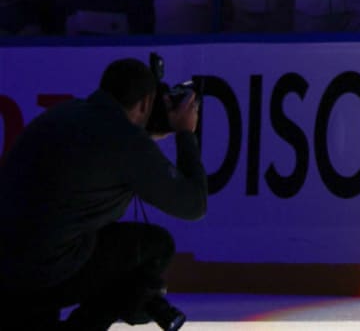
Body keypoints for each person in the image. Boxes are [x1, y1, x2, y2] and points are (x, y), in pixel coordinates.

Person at [0, 57, 206, 331]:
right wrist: (184, 132)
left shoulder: (67, 113)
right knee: (157, 246)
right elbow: (193, 204)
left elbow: (111, 151)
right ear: (145, 103)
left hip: (9, 273)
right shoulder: (127, 143)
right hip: (42, 275)